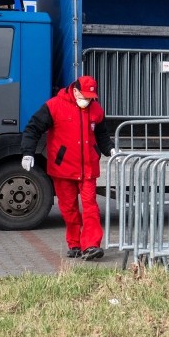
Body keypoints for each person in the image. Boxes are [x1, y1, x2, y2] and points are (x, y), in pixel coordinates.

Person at [21, 75, 116, 260]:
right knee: (68, 209)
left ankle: (90, 245)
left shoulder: (96, 110)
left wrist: (110, 149)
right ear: (75, 91)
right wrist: (27, 152)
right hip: (63, 168)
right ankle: (74, 244)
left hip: (87, 167)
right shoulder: (54, 106)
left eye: (90, 98)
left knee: (90, 208)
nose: (87, 101)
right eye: (84, 97)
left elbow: (102, 135)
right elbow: (33, 128)